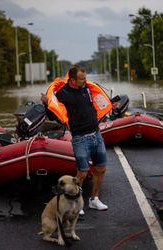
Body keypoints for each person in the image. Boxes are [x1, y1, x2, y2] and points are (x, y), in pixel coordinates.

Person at [41, 65, 113, 215]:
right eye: (82, 79)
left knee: (101, 169)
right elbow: (56, 115)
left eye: (85, 78)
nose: (85, 81)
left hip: (96, 135)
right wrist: (46, 104)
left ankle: (94, 199)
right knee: (82, 173)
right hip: (80, 138)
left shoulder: (86, 88)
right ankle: (72, 201)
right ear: (72, 80)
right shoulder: (62, 93)